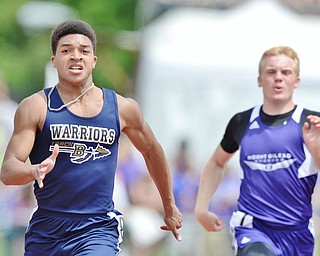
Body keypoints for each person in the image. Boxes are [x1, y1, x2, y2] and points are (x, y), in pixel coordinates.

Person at [0, 20, 182, 256]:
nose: (76, 56)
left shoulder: (121, 108)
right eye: (66, 50)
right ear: (54, 61)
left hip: (97, 227)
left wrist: (169, 205)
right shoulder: (36, 107)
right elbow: (8, 170)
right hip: (47, 228)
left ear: (94, 60)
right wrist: (33, 171)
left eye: (84, 50)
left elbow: (152, 151)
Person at [194, 46, 320, 256]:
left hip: (297, 233)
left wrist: (316, 149)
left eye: (286, 72)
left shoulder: (312, 124)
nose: (278, 78)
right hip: (252, 227)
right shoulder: (242, 122)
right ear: (260, 79)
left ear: (296, 81)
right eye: (271, 72)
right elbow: (217, 162)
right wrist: (201, 208)